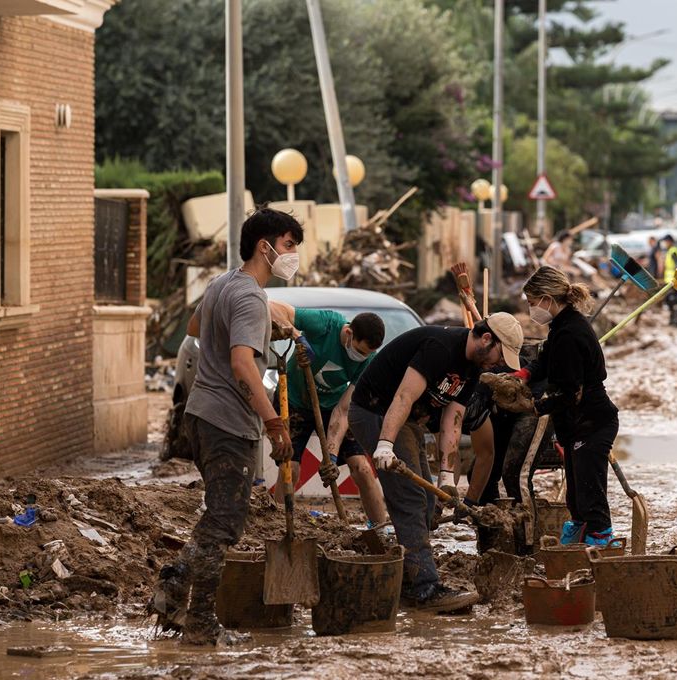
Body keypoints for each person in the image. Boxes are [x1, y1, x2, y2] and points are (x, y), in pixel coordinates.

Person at [153, 207, 304, 645]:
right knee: (223, 524)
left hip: (200, 415)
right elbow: (242, 364)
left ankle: (174, 588)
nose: (293, 256)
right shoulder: (251, 296)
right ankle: (198, 621)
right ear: (266, 246)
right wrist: (275, 424)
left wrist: (258, 327)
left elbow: (197, 326)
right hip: (228, 423)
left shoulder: (222, 284)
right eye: (290, 246)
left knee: (217, 516)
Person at [345, 313, 523, 612]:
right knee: (410, 497)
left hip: (408, 421)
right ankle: (425, 589)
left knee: (429, 502)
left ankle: (405, 576)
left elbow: (452, 420)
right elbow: (403, 396)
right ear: (486, 339)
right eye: (499, 355)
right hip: (376, 411)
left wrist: (446, 478)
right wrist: (385, 445)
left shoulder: (473, 368)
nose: (499, 363)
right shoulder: (439, 347)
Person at [515, 266, 620, 545]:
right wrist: (523, 376)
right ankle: (577, 540)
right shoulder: (561, 327)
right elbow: (544, 361)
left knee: (590, 495)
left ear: (547, 299)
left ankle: (600, 544)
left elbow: (570, 394)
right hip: (577, 425)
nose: (530, 308)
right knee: (575, 497)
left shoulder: (571, 334)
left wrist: (533, 407)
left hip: (591, 422)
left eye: (531, 302)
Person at [267, 301, 390, 538]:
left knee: (362, 467)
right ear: (348, 333)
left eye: (367, 354)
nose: (361, 357)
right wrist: (296, 336)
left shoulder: (369, 360)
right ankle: (279, 526)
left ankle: (380, 530)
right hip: (293, 400)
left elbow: (344, 410)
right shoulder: (325, 324)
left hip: (331, 406)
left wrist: (331, 456)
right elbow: (272, 307)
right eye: (360, 351)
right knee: (290, 467)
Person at [661, 234, 677, 326]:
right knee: (671, 300)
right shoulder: (672, 251)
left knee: (673, 299)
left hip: (673, 280)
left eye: (666, 242)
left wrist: (676, 279)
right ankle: (673, 319)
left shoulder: (673, 251)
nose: (664, 244)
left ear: (670, 242)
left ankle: (675, 320)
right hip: (670, 279)